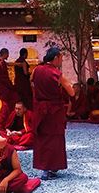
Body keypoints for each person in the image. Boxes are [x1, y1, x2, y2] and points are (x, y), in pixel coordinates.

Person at [31, 47, 75, 180]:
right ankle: (53, 167)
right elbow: (71, 91)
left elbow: (31, 82)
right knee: (55, 138)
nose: (61, 61)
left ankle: (45, 168)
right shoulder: (56, 73)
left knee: (43, 138)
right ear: (55, 58)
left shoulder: (36, 69)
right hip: (54, 110)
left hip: (40, 109)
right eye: (61, 58)